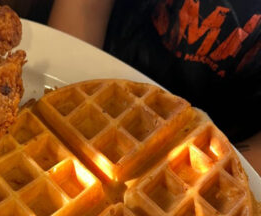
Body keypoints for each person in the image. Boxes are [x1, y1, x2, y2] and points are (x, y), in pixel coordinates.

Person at [48, 0, 261, 167]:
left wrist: (216, 175)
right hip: (105, 69)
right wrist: (70, 95)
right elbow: (87, 5)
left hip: (222, 138)